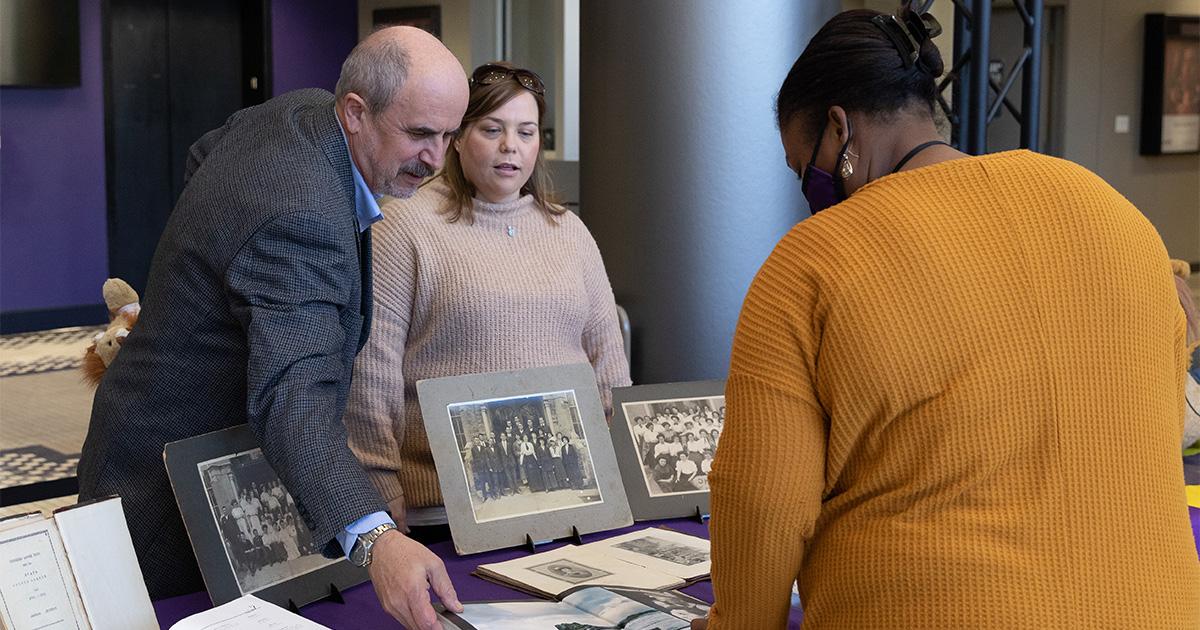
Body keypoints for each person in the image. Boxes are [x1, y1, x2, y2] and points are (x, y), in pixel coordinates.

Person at [700, 5, 1200, 629]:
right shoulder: (1111, 209)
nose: (811, 188)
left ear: (839, 128)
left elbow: (763, 502)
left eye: (805, 168)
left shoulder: (813, 263)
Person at [75, 26, 470, 630]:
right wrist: (377, 541)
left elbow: (206, 152)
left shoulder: (302, 111)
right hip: (162, 481)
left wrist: (205, 279)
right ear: (357, 112)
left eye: (449, 135)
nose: (437, 160)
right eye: (419, 134)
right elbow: (295, 398)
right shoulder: (301, 215)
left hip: (201, 446)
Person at [344, 61, 631, 531]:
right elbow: (373, 371)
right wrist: (378, 483)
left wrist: (623, 467)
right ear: (457, 136)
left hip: (571, 495)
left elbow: (608, 363)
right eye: (491, 129)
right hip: (444, 508)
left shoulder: (569, 230)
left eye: (526, 131)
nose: (510, 147)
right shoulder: (406, 225)